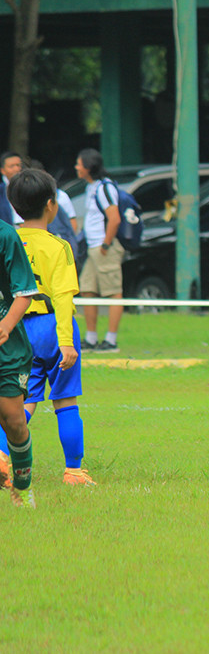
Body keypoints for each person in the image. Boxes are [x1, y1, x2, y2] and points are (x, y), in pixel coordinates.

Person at [1, 169, 93, 486]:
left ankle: (1, 456)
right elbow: (64, 298)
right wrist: (66, 342)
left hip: (15, 328)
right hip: (53, 326)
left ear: (13, 205)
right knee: (65, 400)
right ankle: (73, 471)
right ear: (52, 205)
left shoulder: (5, 239)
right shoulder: (58, 246)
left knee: (21, 401)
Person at [0, 174, 38, 506]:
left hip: (7, 346)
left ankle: (23, 483)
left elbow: (24, 292)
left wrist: (6, 326)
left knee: (13, 418)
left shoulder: (5, 235)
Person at [76, 148, 124, 353]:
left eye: (79, 164)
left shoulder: (105, 188)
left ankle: (111, 340)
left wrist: (105, 244)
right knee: (88, 290)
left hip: (103, 248)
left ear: (88, 167)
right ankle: (91, 338)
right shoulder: (91, 187)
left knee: (114, 293)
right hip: (93, 248)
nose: (76, 167)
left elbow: (114, 218)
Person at [0, 151, 23, 226]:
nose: (16, 169)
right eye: (12, 166)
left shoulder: (30, 188)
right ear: (2, 170)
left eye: (18, 165)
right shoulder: (1, 191)